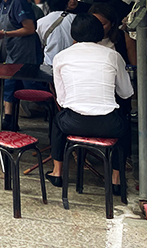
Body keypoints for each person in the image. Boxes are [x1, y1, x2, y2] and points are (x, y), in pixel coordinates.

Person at [46, 14, 133, 192]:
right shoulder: (113, 56)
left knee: (57, 122)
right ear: (100, 32)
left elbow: (62, 100)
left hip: (73, 123)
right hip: (109, 125)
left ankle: (57, 172)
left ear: (73, 33)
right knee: (126, 128)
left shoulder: (61, 57)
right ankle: (116, 180)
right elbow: (126, 93)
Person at [0, 0, 41, 131]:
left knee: (31, 86)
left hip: (25, 51)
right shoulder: (5, 3)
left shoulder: (19, 2)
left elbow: (30, 29)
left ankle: (50, 112)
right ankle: (9, 118)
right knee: (9, 83)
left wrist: (5, 33)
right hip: (12, 50)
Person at [89, 2, 137, 67]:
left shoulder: (125, 37)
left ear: (112, 23)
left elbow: (135, 65)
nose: (98, 27)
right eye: (94, 24)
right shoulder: (81, 39)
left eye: (102, 24)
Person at [37, 0, 76, 66]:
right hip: (71, 64)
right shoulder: (75, 19)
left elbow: (39, 45)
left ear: (48, 4)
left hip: (50, 64)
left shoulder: (40, 22)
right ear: (67, 3)